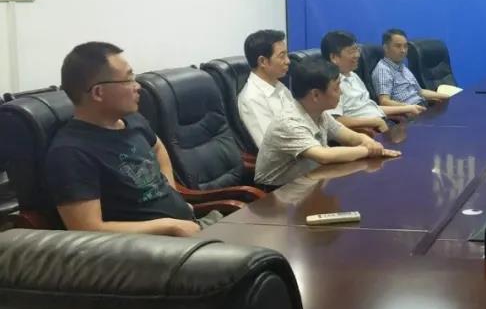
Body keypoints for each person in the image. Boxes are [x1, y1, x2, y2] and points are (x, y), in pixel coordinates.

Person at [46, 42, 214, 237]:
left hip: (192, 226)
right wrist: (170, 226)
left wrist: (171, 191)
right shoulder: (70, 152)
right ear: (98, 92)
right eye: (128, 79)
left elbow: (158, 148)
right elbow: (87, 229)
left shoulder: (132, 119)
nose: (138, 86)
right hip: (151, 248)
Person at [255, 57, 401, 187]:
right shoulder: (290, 122)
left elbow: (350, 137)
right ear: (315, 95)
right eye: (336, 88)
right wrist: (368, 151)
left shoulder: (320, 113)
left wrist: (369, 142)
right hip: (276, 194)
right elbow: (324, 156)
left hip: (309, 180)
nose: (341, 93)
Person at [320, 30, 425, 133]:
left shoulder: (353, 76)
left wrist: (408, 108)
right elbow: (334, 121)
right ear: (334, 57)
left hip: (381, 122)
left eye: (357, 50)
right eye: (351, 51)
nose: (357, 55)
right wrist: (375, 122)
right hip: (366, 130)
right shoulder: (331, 84)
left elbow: (372, 108)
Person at [237, 29, 292, 147]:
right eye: (282, 56)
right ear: (262, 61)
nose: (288, 61)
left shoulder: (278, 85)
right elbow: (272, 147)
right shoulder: (252, 98)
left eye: (287, 55)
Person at [372, 28, 450, 107]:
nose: (403, 50)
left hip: (422, 105)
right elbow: (384, 102)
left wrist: (446, 96)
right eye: (398, 46)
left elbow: (420, 92)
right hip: (409, 111)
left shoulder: (402, 66)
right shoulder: (383, 70)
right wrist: (410, 108)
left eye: (405, 46)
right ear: (385, 48)